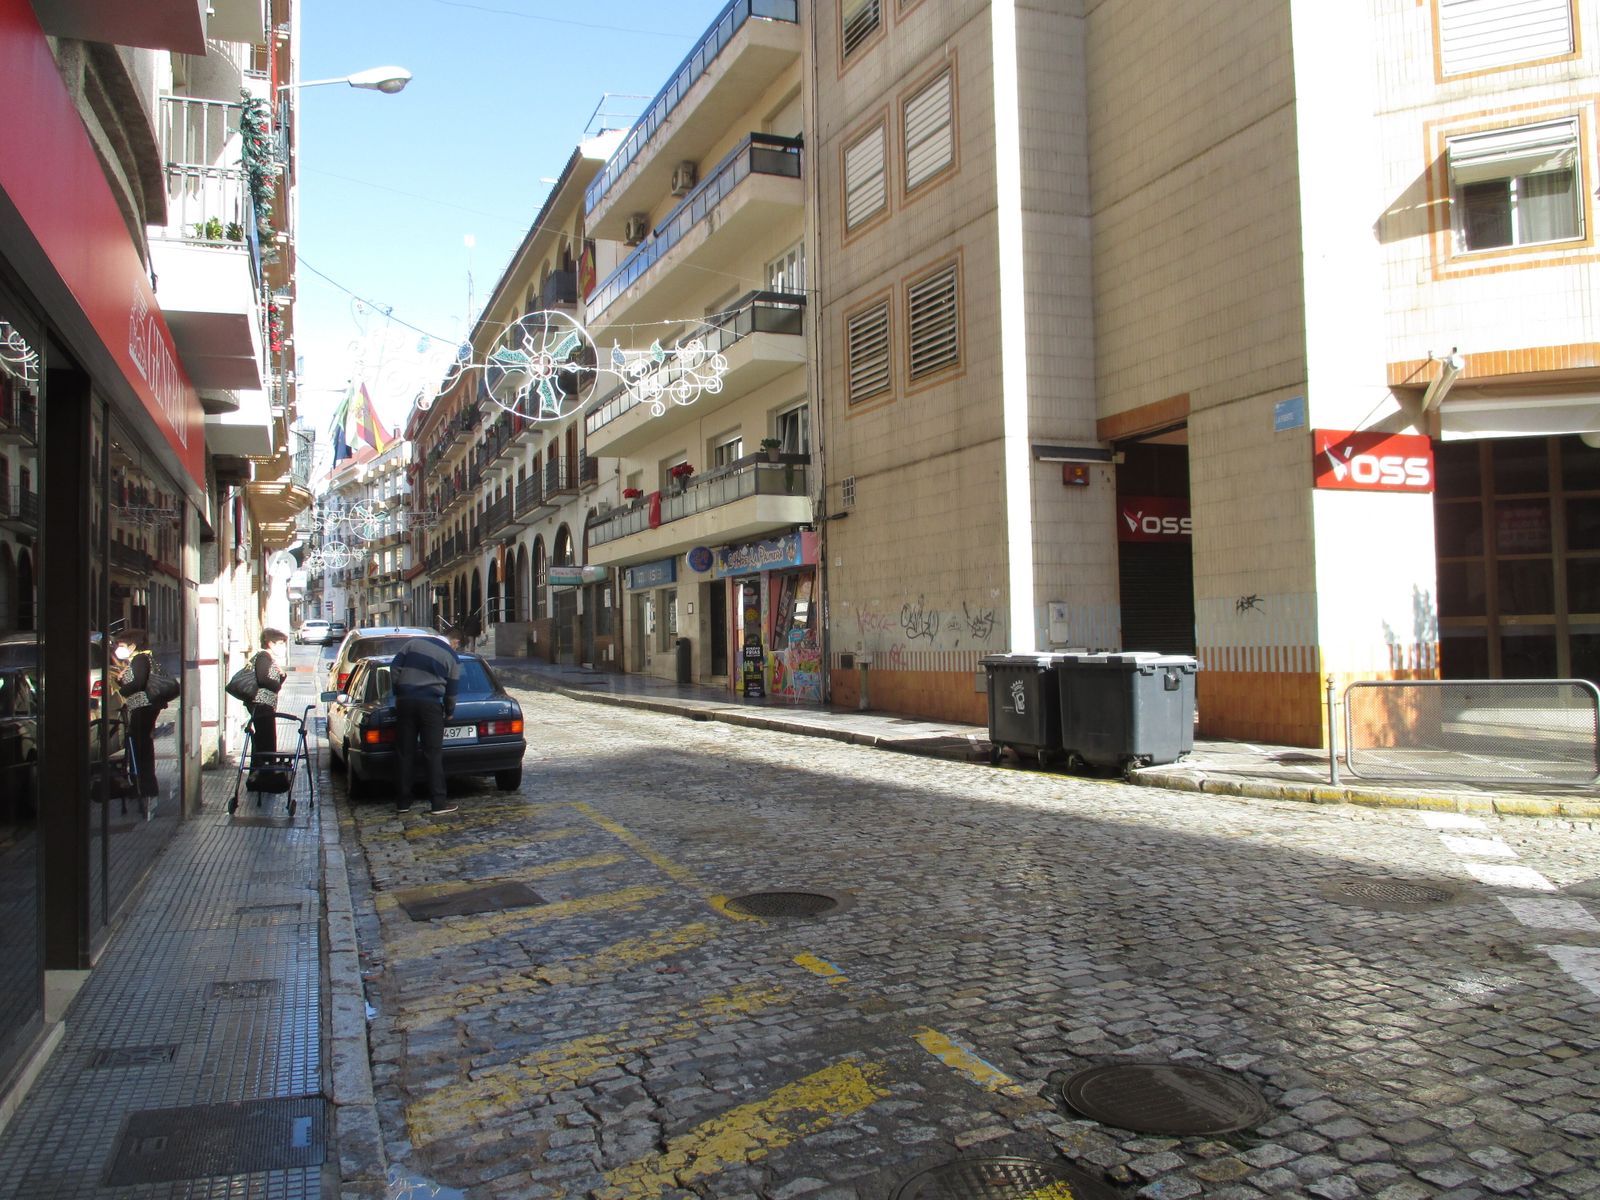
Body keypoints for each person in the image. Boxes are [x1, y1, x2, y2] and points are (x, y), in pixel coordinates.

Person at [389, 633, 460, 815]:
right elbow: (452, 691)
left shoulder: (412, 644)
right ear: (453, 642)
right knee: (433, 753)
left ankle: (403, 802)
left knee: (405, 752)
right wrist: (449, 712)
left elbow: (394, 667)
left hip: (405, 702)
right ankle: (438, 803)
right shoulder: (451, 656)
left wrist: (399, 690)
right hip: (431, 705)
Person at [113, 637, 163, 813]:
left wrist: (121, 691)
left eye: (122, 646)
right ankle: (141, 786)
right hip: (142, 707)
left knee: (140, 747)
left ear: (132, 646)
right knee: (139, 745)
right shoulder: (137, 660)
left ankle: (145, 787)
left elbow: (139, 682)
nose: (119, 649)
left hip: (143, 707)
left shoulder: (141, 659)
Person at [247, 629, 288, 786]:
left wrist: (282, 676)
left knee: (264, 740)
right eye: (280, 644)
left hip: (265, 705)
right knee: (266, 740)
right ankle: (263, 776)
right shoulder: (264, 656)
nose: (282, 647)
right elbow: (263, 679)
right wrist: (277, 684)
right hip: (262, 705)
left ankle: (260, 775)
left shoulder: (267, 657)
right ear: (270, 643)